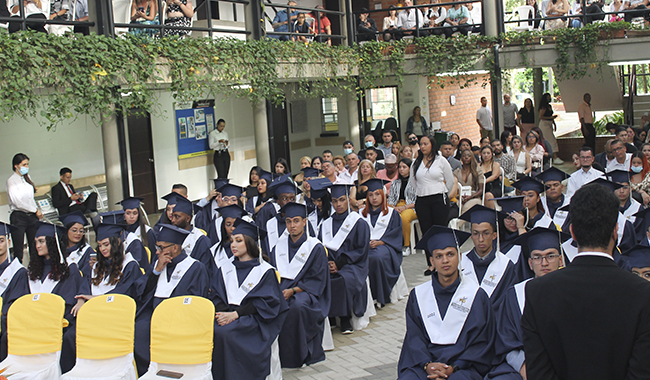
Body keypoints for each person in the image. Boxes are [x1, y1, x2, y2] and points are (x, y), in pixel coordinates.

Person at [522, 183, 650, 378]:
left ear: (572, 232)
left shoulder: (538, 291)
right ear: (615, 232)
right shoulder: (642, 293)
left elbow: (539, 372)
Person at [397, 226, 494, 380]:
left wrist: (454, 367)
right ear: (432, 261)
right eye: (439, 256)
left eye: (450, 254)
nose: (445, 260)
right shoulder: (418, 295)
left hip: (463, 366)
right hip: (426, 365)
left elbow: (481, 341)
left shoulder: (476, 295)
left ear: (460, 257)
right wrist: (427, 365)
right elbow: (414, 337)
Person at [210, 218, 288, 380]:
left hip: (254, 319)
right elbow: (216, 296)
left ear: (251, 243)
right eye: (232, 240)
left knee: (227, 334)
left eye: (239, 241)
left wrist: (236, 315)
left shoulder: (265, 271)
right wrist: (222, 314)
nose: (233, 245)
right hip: (226, 316)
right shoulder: (225, 268)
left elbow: (268, 303)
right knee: (213, 331)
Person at [62, 222, 143, 373]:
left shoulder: (130, 265)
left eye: (106, 244)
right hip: (94, 316)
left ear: (117, 242)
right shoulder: (97, 265)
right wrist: (80, 300)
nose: (103, 249)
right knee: (70, 336)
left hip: (115, 317)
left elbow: (124, 292)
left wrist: (93, 298)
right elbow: (84, 286)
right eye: (99, 245)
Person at [488, 227, 568, 379]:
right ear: (530, 264)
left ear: (561, 259)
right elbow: (506, 340)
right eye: (537, 257)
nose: (544, 263)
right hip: (526, 364)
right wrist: (524, 368)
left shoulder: (573, 293)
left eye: (550, 256)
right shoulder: (515, 295)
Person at [270, 202, 329, 368]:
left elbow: (318, 279)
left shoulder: (315, 247)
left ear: (304, 222)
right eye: (288, 221)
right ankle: (276, 355)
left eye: (296, 221)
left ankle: (299, 354)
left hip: (306, 291)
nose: (292, 226)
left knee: (296, 306)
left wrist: (294, 290)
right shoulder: (278, 247)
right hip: (282, 290)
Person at [318, 184, 371, 334]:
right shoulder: (326, 224)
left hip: (352, 263)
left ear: (348, 199)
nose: (338, 205)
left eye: (341, 200)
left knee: (343, 278)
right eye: (334, 201)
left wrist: (340, 263)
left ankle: (345, 317)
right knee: (323, 277)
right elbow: (321, 248)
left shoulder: (358, 222)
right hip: (330, 264)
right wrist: (328, 263)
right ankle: (331, 315)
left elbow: (361, 250)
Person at [410, 135, 455, 275]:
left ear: (432, 145)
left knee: (439, 232)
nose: (422, 146)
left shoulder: (440, 161)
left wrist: (440, 192)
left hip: (439, 199)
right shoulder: (416, 162)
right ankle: (431, 264)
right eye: (421, 144)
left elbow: (450, 180)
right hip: (422, 199)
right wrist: (423, 191)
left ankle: (444, 262)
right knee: (427, 233)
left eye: (425, 144)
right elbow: (413, 182)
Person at [458, 205, 518, 305]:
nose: (480, 239)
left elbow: (509, 302)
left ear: (494, 235)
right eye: (476, 233)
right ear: (471, 236)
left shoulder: (506, 266)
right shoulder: (461, 263)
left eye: (486, 233)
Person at [29, 222, 82, 331]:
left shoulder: (69, 269)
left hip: (58, 323)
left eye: (41, 241)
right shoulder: (33, 271)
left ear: (53, 242)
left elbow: (68, 304)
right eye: (36, 242)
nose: (37, 246)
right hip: (33, 321)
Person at [361, 179, 403, 308]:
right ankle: (367, 296)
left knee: (376, 257)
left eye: (377, 194)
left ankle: (380, 295)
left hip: (386, 246)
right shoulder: (360, 214)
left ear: (383, 195)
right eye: (371, 195)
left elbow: (396, 233)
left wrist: (381, 242)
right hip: (365, 247)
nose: (374, 198)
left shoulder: (392, 214)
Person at [163, 192, 216, 281]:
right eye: (173, 216)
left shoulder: (201, 240)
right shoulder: (169, 236)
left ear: (188, 219)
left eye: (177, 217)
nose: (173, 220)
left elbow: (206, 270)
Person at [0, 222, 29, 361]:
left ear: (9, 241)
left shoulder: (18, 272)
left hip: (5, 322)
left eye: (1, 240)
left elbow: (17, 304)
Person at [7, 153, 42, 264]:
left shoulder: (27, 178)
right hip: (19, 217)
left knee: (34, 245)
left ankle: (35, 270)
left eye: (27, 164)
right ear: (16, 166)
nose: (26, 167)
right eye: (24, 164)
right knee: (19, 248)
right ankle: (18, 272)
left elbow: (30, 199)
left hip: (31, 217)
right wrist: (34, 210)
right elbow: (18, 202)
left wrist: (37, 210)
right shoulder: (11, 181)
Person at [388, 158, 417, 256]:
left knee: (404, 217)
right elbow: (390, 199)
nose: (401, 169)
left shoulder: (416, 182)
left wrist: (405, 207)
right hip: (397, 206)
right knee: (392, 216)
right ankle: (393, 244)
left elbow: (418, 200)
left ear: (410, 168)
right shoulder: (395, 183)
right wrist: (393, 207)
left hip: (411, 207)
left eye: (404, 167)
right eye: (400, 167)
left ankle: (406, 245)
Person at [454, 149, 485, 215]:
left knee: (466, 207)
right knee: (456, 206)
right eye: (464, 155)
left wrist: (471, 196)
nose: (466, 157)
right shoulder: (457, 172)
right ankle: (456, 224)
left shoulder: (477, 170)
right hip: (460, 197)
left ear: (472, 157)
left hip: (474, 197)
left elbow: (481, 190)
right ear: (461, 158)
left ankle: (457, 225)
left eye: (469, 155)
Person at [537, 93, 562, 164]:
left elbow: (550, 115)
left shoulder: (549, 106)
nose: (549, 98)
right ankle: (554, 156)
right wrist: (550, 118)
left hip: (549, 124)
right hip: (544, 125)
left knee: (552, 139)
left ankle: (553, 157)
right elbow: (541, 117)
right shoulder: (543, 107)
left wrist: (553, 123)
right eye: (548, 97)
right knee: (551, 140)